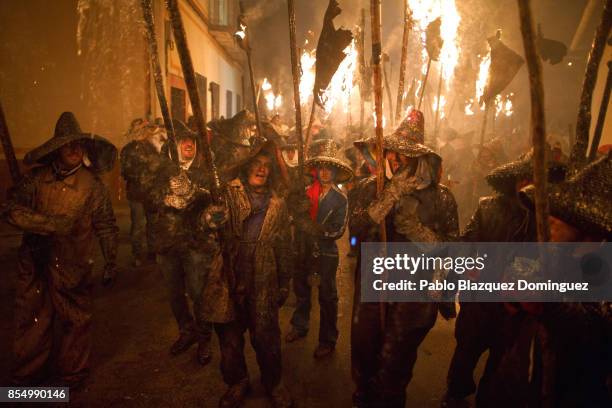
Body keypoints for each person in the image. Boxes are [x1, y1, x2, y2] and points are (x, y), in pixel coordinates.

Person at [442, 147, 567, 408]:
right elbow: (466, 245)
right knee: (466, 352)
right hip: (478, 300)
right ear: (515, 180)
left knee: (500, 364)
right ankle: (455, 392)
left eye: (535, 180)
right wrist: (453, 284)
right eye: (524, 177)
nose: (528, 184)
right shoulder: (488, 207)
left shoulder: (548, 220)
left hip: (515, 311)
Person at [350, 110, 459, 407]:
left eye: (403, 155)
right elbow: (355, 234)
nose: (395, 160)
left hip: (415, 293)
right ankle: (362, 395)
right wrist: (388, 198)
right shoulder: (367, 190)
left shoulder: (442, 198)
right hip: (374, 285)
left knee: (394, 365)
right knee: (364, 352)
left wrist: (417, 233)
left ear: (418, 159)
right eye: (391, 152)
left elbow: (450, 251)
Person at [2, 112, 118, 388]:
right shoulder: (35, 181)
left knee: (75, 320)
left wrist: (111, 260)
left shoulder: (93, 187)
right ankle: (28, 376)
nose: (76, 151)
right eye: (69, 146)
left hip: (73, 263)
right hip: (35, 261)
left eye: (79, 145)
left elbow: (106, 225)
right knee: (33, 318)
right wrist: (46, 223)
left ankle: (71, 376)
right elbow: (11, 209)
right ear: (57, 149)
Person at [201, 141, 293, 408]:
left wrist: (285, 282)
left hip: (263, 277)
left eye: (266, 166)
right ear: (246, 166)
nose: (262, 170)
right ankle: (237, 382)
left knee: (266, 336)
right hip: (229, 274)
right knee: (229, 337)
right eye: (257, 165)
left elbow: (284, 245)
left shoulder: (278, 203)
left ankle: (273, 384)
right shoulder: (227, 193)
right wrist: (210, 219)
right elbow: (204, 224)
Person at [146, 120, 222, 365]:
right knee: (174, 293)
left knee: (199, 293)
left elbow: (216, 198)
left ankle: (203, 339)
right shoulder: (162, 168)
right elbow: (146, 194)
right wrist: (165, 196)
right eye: (183, 140)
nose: (189, 144)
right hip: (168, 243)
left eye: (192, 140)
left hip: (196, 243)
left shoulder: (206, 168)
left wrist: (195, 192)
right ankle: (186, 331)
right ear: (174, 144)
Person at [286, 139, 352, 358]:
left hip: (325, 254)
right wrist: (296, 208)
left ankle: (328, 339)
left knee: (327, 296)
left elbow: (338, 230)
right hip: (302, 248)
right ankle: (299, 325)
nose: (324, 172)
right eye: (321, 168)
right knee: (302, 291)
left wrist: (315, 229)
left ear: (334, 171)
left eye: (329, 168)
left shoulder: (340, 198)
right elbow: (292, 216)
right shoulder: (305, 191)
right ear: (316, 170)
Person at [120, 118, 166, 266]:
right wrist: (141, 174)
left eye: (143, 129)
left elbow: (159, 166)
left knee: (153, 223)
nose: (142, 132)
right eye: (139, 129)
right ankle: (138, 255)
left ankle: (152, 253)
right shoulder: (128, 149)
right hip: (136, 193)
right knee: (138, 225)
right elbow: (125, 171)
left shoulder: (151, 147)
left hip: (151, 193)